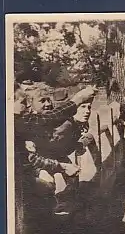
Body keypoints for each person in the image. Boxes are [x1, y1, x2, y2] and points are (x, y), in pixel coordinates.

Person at [17, 83, 97, 215]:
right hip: (36, 165)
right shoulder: (30, 122)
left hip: (54, 159)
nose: (48, 104)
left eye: (49, 99)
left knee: (72, 183)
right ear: (30, 104)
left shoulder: (56, 120)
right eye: (42, 101)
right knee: (47, 184)